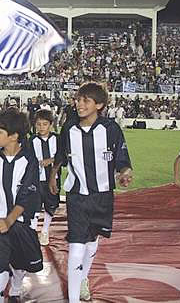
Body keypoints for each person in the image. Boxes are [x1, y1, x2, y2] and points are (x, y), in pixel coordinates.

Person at [49, 81, 133, 303]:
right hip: (77, 196)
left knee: (93, 240)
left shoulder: (111, 129)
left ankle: (83, 277)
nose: (79, 104)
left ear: (100, 105)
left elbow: (122, 160)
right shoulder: (69, 128)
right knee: (76, 245)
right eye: (78, 99)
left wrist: (125, 173)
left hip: (103, 196)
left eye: (86, 100)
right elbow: (60, 156)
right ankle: (74, 298)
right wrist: (52, 176)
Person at [0, 108, 43, 303]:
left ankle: (16, 290)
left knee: (19, 266)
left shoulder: (29, 161)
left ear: (14, 136)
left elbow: (28, 197)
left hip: (22, 222)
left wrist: (10, 220)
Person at [28, 109, 60, 246]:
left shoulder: (57, 139)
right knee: (34, 206)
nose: (42, 127)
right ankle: (32, 231)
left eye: (45, 124)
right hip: (36, 179)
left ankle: (45, 231)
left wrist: (51, 160)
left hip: (53, 178)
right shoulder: (32, 140)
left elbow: (63, 157)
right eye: (39, 124)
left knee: (50, 204)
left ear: (51, 125)